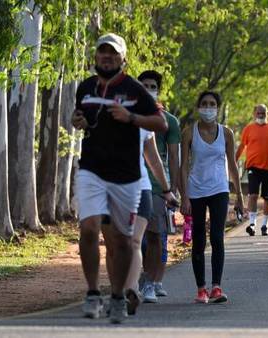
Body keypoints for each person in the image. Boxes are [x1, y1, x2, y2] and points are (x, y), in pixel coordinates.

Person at [71, 33, 167, 324]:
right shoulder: (86, 87)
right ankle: (91, 293)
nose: (107, 57)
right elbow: (83, 120)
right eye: (102, 52)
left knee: (123, 242)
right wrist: (78, 122)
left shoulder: (135, 90)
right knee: (88, 229)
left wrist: (131, 118)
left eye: (113, 53)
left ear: (123, 58)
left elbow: (160, 123)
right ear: (95, 57)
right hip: (91, 169)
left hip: (126, 176)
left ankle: (117, 296)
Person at [180, 91, 243, 304]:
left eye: (212, 104)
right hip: (196, 190)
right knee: (198, 239)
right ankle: (201, 289)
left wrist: (239, 196)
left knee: (217, 237)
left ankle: (216, 286)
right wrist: (184, 197)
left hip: (219, 189)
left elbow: (233, 165)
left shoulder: (226, 133)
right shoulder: (189, 133)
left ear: (218, 108)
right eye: (205, 104)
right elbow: (183, 166)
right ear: (199, 107)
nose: (208, 107)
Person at [137, 70, 181, 303]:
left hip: (155, 186)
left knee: (155, 236)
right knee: (133, 238)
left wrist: (172, 186)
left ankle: (151, 283)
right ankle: (135, 279)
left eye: (152, 86)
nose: (148, 89)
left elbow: (173, 156)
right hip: (128, 182)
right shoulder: (126, 114)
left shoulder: (169, 121)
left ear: (158, 89)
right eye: (143, 85)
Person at [124, 129, 177, 315]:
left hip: (145, 187)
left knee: (141, 240)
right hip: (112, 187)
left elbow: (157, 160)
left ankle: (139, 287)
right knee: (120, 242)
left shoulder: (151, 119)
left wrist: (168, 189)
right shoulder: (104, 112)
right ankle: (121, 288)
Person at [235, 104, 268, 236]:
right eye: (258, 113)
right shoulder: (248, 129)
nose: (261, 115)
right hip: (253, 166)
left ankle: (265, 225)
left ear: (267, 114)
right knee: (253, 195)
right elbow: (241, 147)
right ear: (254, 114)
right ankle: (252, 223)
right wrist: (233, 161)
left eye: (263, 113)